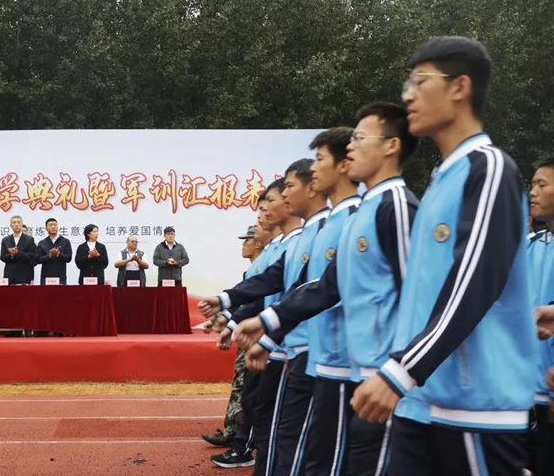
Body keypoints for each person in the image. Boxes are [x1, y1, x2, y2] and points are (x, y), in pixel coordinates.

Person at [349, 37, 535, 474]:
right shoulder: (442, 180)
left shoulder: (489, 168)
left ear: (459, 87)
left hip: (475, 407)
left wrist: (402, 370)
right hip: (423, 400)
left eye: (420, 81)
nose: (408, 95)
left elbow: (474, 281)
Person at [234, 105, 419, 475]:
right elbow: (327, 285)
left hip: (377, 372)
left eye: (360, 139)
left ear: (391, 146)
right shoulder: (359, 213)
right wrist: (268, 324)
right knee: (325, 459)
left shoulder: (395, 205)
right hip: (345, 367)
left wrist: (400, 369)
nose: (351, 147)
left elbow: (415, 294)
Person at [202, 159, 330, 476]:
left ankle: (244, 448)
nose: (265, 211)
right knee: (273, 423)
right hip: (284, 344)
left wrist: (260, 330)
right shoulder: (294, 241)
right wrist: (228, 307)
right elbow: (269, 285)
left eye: (282, 192)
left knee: (295, 435)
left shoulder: (326, 229)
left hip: (310, 349)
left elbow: (309, 291)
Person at [527, 157, 554, 476]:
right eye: (532, 183)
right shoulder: (527, 248)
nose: (532, 192)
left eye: (541, 184)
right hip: (522, 395)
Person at [0, 215, 37, 284]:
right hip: (10, 274)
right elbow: (2, 257)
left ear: (22, 225)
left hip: (25, 274)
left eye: (18, 222)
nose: (16, 224)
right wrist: (11, 255)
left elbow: (31, 256)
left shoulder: (30, 239)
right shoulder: (5, 240)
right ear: (11, 225)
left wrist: (18, 253)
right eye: (14, 223)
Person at [36, 218, 72, 285]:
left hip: (61, 277)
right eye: (50, 225)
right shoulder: (42, 243)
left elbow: (68, 258)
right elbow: (38, 260)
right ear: (46, 228)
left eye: (55, 225)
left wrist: (58, 254)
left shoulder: (65, 241)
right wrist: (49, 255)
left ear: (57, 227)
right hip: (46, 277)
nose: (53, 227)